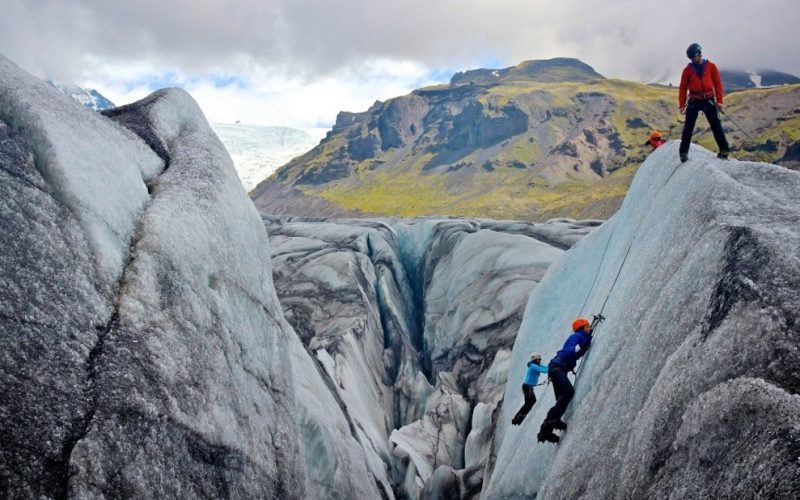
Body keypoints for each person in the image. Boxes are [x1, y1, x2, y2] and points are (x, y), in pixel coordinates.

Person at [537, 318, 593, 443]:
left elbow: (580, 347)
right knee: (568, 392)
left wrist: (587, 340)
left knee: (561, 400)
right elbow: (569, 351)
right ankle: (550, 420)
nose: (590, 327)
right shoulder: (577, 337)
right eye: (588, 326)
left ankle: (546, 432)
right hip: (557, 368)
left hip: (558, 369)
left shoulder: (582, 337)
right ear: (582, 328)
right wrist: (583, 344)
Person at [678, 43, 731, 162]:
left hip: (708, 99)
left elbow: (718, 84)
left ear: (699, 54)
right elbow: (683, 88)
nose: (692, 60)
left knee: (715, 124)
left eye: (694, 57)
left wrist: (720, 101)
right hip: (694, 99)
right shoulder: (687, 71)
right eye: (691, 58)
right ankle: (683, 152)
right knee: (688, 127)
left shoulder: (711, 66)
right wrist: (682, 105)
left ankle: (724, 150)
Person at [511, 352, 549, 425]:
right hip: (527, 387)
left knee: (531, 401)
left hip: (528, 387)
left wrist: (552, 366)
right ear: (534, 360)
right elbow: (544, 370)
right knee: (529, 403)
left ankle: (520, 417)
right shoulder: (533, 366)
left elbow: (544, 368)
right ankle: (517, 418)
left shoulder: (535, 365)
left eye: (540, 359)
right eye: (538, 359)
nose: (540, 361)